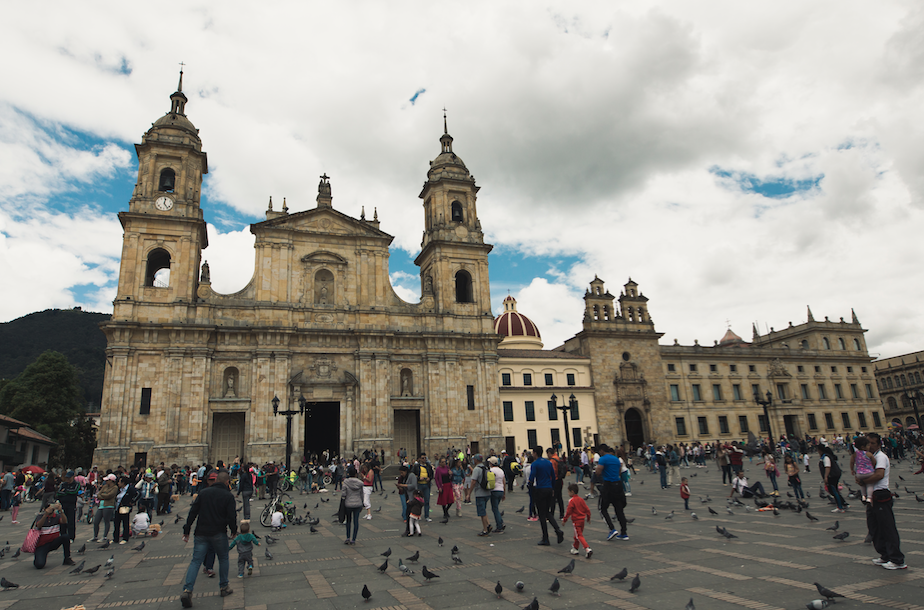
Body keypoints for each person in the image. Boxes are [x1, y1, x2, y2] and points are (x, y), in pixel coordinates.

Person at [180, 471, 238, 607]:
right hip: (218, 533)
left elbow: (193, 512)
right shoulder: (228, 496)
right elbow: (231, 517)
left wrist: (187, 530)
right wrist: (234, 530)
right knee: (223, 559)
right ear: (227, 482)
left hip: (201, 533)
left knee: (195, 561)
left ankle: (187, 590)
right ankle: (224, 587)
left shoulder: (203, 493)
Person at [857, 432, 906, 570]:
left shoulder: (881, 457)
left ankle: (897, 559)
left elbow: (879, 475)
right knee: (874, 527)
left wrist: (862, 480)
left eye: (873, 443)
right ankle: (885, 555)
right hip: (872, 496)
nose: (870, 446)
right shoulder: (867, 457)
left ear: (878, 444)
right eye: (868, 443)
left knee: (887, 527)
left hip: (881, 494)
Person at [528, 446, 565, 546]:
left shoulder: (535, 464)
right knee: (548, 512)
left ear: (535, 453)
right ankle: (557, 530)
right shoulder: (548, 462)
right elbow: (553, 476)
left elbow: (532, 478)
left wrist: (530, 488)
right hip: (549, 488)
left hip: (540, 489)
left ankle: (545, 538)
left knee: (542, 515)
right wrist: (552, 488)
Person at [596, 444, 629, 541]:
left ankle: (612, 528)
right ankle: (624, 532)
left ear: (602, 451)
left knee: (602, 508)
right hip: (617, 485)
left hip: (608, 485)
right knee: (619, 510)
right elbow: (619, 471)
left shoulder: (603, 459)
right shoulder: (615, 459)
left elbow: (598, 472)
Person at [30, 501, 75, 569]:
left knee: (65, 537)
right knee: (39, 565)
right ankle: (38, 557)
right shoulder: (40, 516)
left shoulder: (57, 516)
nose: (50, 509)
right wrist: (46, 514)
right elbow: (39, 525)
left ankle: (67, 558)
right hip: (42, 545)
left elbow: (64, 521)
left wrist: (61, 511)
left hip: (53, 542)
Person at [562, 483, 592, 559]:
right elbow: (587, 509)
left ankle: (587, 548)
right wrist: (588, 518)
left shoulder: (571, 501)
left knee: (579, 535)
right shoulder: (581, 500)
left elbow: (568, 511)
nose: (568, 493)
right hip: (582, 520)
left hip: (576, 520)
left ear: (572, 492)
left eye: (568, 492)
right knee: (578, 534)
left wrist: (564, 520)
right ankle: (575, 547)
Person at [469, 454, 494, 537]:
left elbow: (473, 481)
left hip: (480, 493)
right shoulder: (486, 467)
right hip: (487, 492)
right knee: (484, 509)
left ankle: (485, 530)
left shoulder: (476, 469)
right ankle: (489, 524)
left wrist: (469, 493)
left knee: (481, 512)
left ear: (476, 460)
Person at [818, 445, 847, 513]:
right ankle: (844, 504)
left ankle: (840, 507)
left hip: (832, 476)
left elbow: (827, 467)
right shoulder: (827, 456)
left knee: (833, 491)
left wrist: (826, 477)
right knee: (835, 490)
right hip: (835, 475)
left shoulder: (825, 457)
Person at [91, 473, 119, 542]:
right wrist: (104, 495)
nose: (106, 482)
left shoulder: (115, 487)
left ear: (111, 480)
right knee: (96, 521)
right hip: (101, 505)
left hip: (109, 505)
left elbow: (110, 495)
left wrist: (103, 495)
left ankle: (105, 536)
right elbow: (99, 495)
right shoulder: (105, 486)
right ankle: (95, 536)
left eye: (107, 480)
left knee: (106, 521)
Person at [113, 475, 139, 544]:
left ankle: (125, 537)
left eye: (119, 482)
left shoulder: (130, 488)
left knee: (125, 522)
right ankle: (115, 538)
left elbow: (137, 494)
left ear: (123, 483)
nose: (118, 483)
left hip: (125, 507)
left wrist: (132, 502)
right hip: (118, 507)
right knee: (116, 522)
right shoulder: (119, 489)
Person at [56, 470, 81, 541]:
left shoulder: (76, 484)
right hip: (63, 504)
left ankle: (71, 537)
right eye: (67, 478)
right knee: (62, 521)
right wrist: (67, 492)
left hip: (71, 505)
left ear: (73, 477)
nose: (68, 479)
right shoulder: (63, 484)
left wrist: (65, 491)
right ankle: (63, 536)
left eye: (69, 478)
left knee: (71, 521)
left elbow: (74, 491)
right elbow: (59, 493)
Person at [341, 466, 364, 545]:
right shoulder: (360, 483)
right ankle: (353, 539)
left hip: (348, 504)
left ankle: (348, 537)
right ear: (356, 474)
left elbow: (343, 494)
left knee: (348, 521)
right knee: (356, 521)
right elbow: (362, 495)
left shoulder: (346, 482)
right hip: (358, 504)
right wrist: (362, 503)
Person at [488, 456, 506, 533]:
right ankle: (500, 522)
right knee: (496, 508)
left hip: (494, 490)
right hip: (501, 490)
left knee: (495, 508)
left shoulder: (491, 470)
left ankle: (500, 524)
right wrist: (504, 493)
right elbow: (504, 482)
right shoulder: (501, 471)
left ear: (491, 463)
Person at [412, 453, 433, 522]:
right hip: (419, 485)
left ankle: (427, 516)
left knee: (427, 501)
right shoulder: (416, 466)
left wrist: (429, 478)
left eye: (425, 458)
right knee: (418, 501)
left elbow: (432, 474)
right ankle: (418, 515)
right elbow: (412, 474)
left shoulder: (428, 466)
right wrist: (418, 478)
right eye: (423, 458)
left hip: (426, 485)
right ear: (420, 459)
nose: (424, 459)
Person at [435, 457, 454, 523]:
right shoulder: (438, 469)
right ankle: (445, 512)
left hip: (448, 484)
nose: (444, 463)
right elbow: (436, 479)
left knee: (451, 500)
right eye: (442, 462)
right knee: (444, 500)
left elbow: (451, 476)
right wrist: (439, 487)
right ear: (440, 463)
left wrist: (451, 473)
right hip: (443, 485)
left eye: (445, 461)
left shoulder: (447, 467)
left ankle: (446, 510)